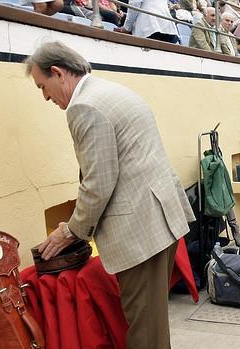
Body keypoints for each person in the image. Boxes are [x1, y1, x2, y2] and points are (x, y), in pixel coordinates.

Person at [25, 41, 195, 349]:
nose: (45, 97)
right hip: (161, 220)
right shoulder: (111, 90)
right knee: (153, 326)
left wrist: (71, 231)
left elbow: (98, 184)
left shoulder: (83, 106)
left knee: (144, 334)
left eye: (43, 86)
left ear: (58, 73)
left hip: (138, 233)